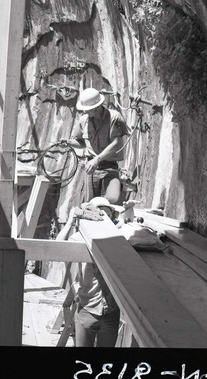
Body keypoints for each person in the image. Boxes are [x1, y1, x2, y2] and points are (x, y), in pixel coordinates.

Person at [57, 199, 120, 347]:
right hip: (88, 310)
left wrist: (128, 212)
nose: (104, 215)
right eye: (101, 211)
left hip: (111, 311)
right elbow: (58, 246)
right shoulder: (81, 238)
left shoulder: (117, 237)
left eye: (108, 213)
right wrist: (70, 221)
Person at [63, 88, 128, 204]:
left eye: (88, 110)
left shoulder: (114, 117)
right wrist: (69, 142)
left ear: (97, 107)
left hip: (110, 167)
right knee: (91, 203)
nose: (85, 112)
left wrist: (97, 159)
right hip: (91, 169)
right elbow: (82, 143)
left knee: (112, 199)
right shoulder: (83, 121)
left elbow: (116, 144)